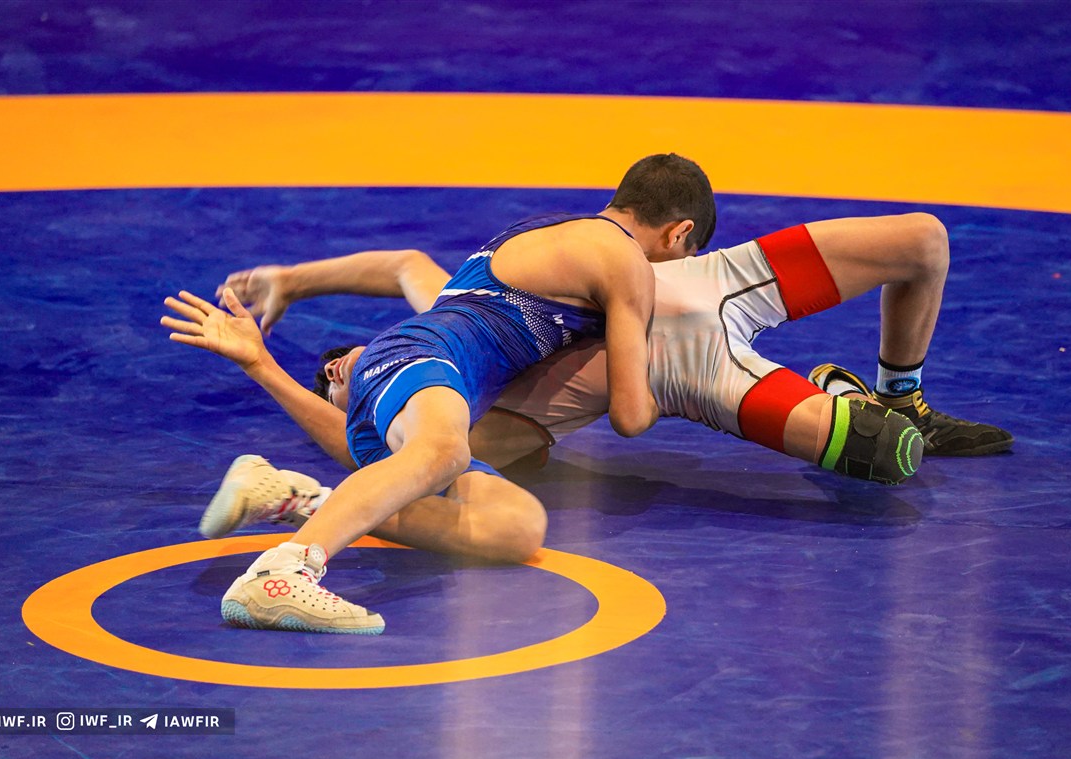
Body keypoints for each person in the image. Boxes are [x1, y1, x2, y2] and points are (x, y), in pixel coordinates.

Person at [161, 153, 717, 635]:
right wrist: (684, 378)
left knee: (515, 527)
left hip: (421, 372)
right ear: (678, 232)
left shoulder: (542, 241)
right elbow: (630, 415)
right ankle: (280, 573)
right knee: (445, 452)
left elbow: (408, 266)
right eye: (683, 257)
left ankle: (300, 501)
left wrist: (289, 288)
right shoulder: (626, 262)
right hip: (420, 358)